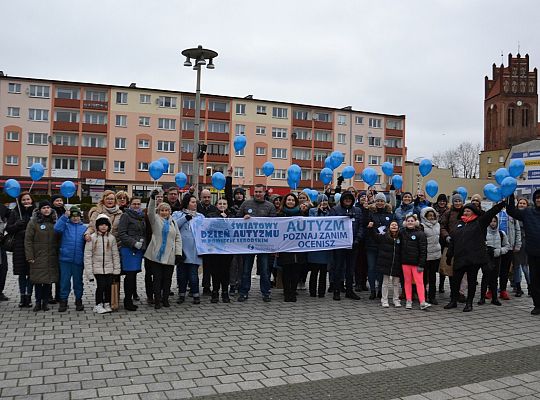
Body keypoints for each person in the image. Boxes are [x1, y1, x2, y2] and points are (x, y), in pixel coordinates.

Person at [444, 201, 506, 312]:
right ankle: (453, 301)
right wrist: (449, 256)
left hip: (473, 259)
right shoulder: (459, 224)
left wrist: (500, 205)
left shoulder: (479, 222)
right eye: (465, 210)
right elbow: (453, 241)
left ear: (474, 212)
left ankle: (469, 303)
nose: (466, 212)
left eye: (469, 210)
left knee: (472, 281)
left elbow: (490, 214)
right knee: (455, 281)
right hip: (460, 258)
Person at [236, 183, 277, 302]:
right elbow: (236, 219)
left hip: (263, 244)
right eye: (256, 192)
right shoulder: (246, 204)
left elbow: (275, 224)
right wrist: (243, 218)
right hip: (248, 244)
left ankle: (266, 292)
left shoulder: (270, 206)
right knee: (246, 269)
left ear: (264, 192)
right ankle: (244, 292)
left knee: (264, 270)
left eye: (260, 192)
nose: (258, 194)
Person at [145, 190, 183, 309]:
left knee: (167, 279)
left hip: (170, 255)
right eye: (162, 210)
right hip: (156, 254)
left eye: (166, 210)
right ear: (159, 211)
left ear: (169, 212)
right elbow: (150, 211)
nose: (164, 212)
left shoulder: (173, 222)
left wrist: (178, 253)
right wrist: (152, 198)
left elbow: (178, 238)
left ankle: (165, 299)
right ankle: (157, 300)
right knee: (157, 279)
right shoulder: (155, 219)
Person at [507, 190, 540, 315]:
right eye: (537, 198)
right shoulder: (528, 212)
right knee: (535, 279)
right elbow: (511, 211)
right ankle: (537, 305)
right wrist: (510, 195)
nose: (539, 200)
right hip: (532, 252)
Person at [329, 191, 363, 301]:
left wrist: (357, 239)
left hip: (353, 244)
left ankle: (349, 290)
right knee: (338, 267)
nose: (348, 200)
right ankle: (337, 290)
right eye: (346, 198)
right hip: (339, 244)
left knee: (350, 268)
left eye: (350, 198)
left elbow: (361, 226)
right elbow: (329, 224)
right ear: (342, 199)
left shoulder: (357, 210)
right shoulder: (335, 210)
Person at [24, 201, 59, 312]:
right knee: (38, 281)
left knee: (48, 281)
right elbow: (28, 240)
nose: (46, 210)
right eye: (44, 208)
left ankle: (45, 302)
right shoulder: (33, 222)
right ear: (40, 210)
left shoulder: (55, 222)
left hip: (51, 256)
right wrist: (30, 256)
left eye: (48, 207)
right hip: (38, 256)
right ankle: (38, 302)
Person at [84, 214, 121, 314]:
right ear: (97, 226)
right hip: (97, 268)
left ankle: (108, 303)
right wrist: (89, 273)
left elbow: (115, 255)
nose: (103, 226)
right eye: (101, 225)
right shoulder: (92, 238)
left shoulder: (112, 238)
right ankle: (98, 304)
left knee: (108, 286)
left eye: (105, 224)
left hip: (109, 268)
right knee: (100, 286)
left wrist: (117, 269)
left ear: (109, 226)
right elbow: (87, 256)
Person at [6, 191, 35, 308]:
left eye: (28, 199)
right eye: (24, 200)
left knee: (31, 274)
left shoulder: (36, 212)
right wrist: (17, 225)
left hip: (33, 247)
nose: (26, 201)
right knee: (22, 274)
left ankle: (29, 297)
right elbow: (9, 228)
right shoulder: (15, 212)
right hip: (19, 247)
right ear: (20, 201)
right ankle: (22, 297)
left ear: (31, 200)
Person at [173, 194, 203, 305]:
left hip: (195, 249)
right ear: (186, 203)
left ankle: (195, 294)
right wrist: (186, 217)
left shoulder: (200, 216)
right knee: (181, 274)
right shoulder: (177, 214)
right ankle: (181, 294)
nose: (195, 204)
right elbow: (174, 225)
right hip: (181, 249)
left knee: (193, 274)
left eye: (195, 202)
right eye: (192, 202)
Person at [276, 193, 307, 302]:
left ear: (296, 202)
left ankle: (293, 292)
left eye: (293, 200)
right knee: (286, 271)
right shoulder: (279, 215)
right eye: (288, 200)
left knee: (296, 271)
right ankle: (287, 292)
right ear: (285, 201)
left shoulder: (301, 214)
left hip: (298, 248)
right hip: (285, 247)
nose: (290, 202)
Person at [54, 206, 86, 312]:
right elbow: (56, 228)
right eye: (73, 216)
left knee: (78, 282)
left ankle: (78, 300)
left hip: (78, 260)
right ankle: (63, 301)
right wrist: (64, 217)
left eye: (78, 216)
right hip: (65, 259)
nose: (75, 218)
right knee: (64, 282)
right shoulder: (65, 226)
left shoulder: (84, 228)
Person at [118, 197, 146, 311]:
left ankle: (131, 298)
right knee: (129, 276)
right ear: (130, 205)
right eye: (134, 204)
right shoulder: (126, 215)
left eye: (138, 204)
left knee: (134, 275)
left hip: (139, 250)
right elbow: (122, 233)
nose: (136, 206)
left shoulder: (141, 216)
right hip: (129, 249)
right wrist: (134, 243)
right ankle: (127, 301)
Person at [205, 198, 234, 303]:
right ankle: (215, 291)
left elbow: (233, 231)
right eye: (220, 203)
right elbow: (208, 228)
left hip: (227, 249)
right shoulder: (210, 216)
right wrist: (219, 219)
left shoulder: (231, 216)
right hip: (214, 249)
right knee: (215, 271)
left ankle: (225, 292)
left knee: (225, 271)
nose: (222, 205)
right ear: (216, 205)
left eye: (224, 203)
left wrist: (226, 220)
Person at [365, 192, 393, 300]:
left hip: (384, 245)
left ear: (385, 202)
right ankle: (372, 290)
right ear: (375, 202)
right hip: (371, 245)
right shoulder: (370, 213)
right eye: (378, 201)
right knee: (371, 268)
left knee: (381, 269)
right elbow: (366, 226)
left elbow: (392, 227)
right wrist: (369, 227)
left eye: (382, 201)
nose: (380, 203)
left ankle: (380, 290)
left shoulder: (389, 214)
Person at [479, 216, 510, 306]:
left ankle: (495, 298)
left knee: (494, 278)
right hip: (486, 258)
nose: (493, 223)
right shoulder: (484, 232)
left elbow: (507, 246)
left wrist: (499, 251)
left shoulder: (501, 233)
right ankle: (482, 297)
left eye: (495, 221)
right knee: (485, 277)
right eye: (491, 221)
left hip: (497, 258)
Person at [400, 215, 430, 310]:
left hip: (416, 264)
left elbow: (423, 250)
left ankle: (422, 301)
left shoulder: (420, 234)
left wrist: (421, 264)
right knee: (407, 282)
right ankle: (409, 300)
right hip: (405, 262)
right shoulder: (402, 232)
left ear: (415, 222)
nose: (410, 222)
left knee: (419, 282)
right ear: (405, 222)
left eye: (412, 221)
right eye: (408, 220)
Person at [370, 220, 402, 307]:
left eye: (396, 225)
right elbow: (374, 236)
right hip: (386, 263)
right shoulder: (384, 236)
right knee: (385, 283)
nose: (394, 226)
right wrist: (371, 228)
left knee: (396, 283)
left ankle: (396, 300)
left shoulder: (401, 237)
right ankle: (384, 300)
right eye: (392, 225)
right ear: (389, 227)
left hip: (397, 263)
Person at [440, 193, 465, 297]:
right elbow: (442, 226)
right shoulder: (448, 213)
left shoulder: (466, 212)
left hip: (463, 245)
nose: (458, 203)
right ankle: (453, 292)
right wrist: (446, 236)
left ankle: (460, 292)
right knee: (450, 270)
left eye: (459, 201)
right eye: (456, 201)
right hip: (450, 245)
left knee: (461, 270)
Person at [496, 206, 521, 300]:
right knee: (493, 269)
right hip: (496, 245)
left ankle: (503, 290)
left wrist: (518, 244)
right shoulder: (494, 212)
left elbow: (517, 229)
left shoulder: (512, 214)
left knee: (505, 270)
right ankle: (491, 289)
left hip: (509, 245)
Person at [308, 195, 331, 298]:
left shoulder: (331, 212)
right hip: (315, 247)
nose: (324, 202)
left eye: (326, 201)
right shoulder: (312, 211)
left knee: (323, 272)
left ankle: (321, 292)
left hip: (325, 247)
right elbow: (311, 222)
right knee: (314, 272)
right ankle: (312, 292)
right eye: (322, 201)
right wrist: (319, 213)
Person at [144, 190, 164, 304]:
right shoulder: (147, 212)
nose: (159, 198)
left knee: (160, 273)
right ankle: (149, 295)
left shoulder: (166, 213)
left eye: (161, 197)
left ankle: (159, 293)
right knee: (149, 273)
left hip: (162, 248)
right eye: (157, 197)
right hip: (150, 247)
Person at [420, 207, 441, 305]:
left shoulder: (438, 225)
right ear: (425, 216)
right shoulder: (421, 226)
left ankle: (432, 297)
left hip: (436, 255)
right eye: (429, 216)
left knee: (433, 277)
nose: (431, 217)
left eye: (433, 215)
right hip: (426, 255)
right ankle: (423, 296)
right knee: (424, 277)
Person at [513, 197, 530, 297]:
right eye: (520, 203)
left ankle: (530, 287)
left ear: (527, 205)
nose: (522, 205)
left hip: (525, 243)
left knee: (524, 266)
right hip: (516, 242)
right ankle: (518, 287)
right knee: (516, 267)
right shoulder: (514, 215)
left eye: (524, 203)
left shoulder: (529, 215)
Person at [0, 203, 10, 301]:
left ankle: (0, 291)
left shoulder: (2, 207)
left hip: (0, 244)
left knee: (3, 268)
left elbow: (12, 215)